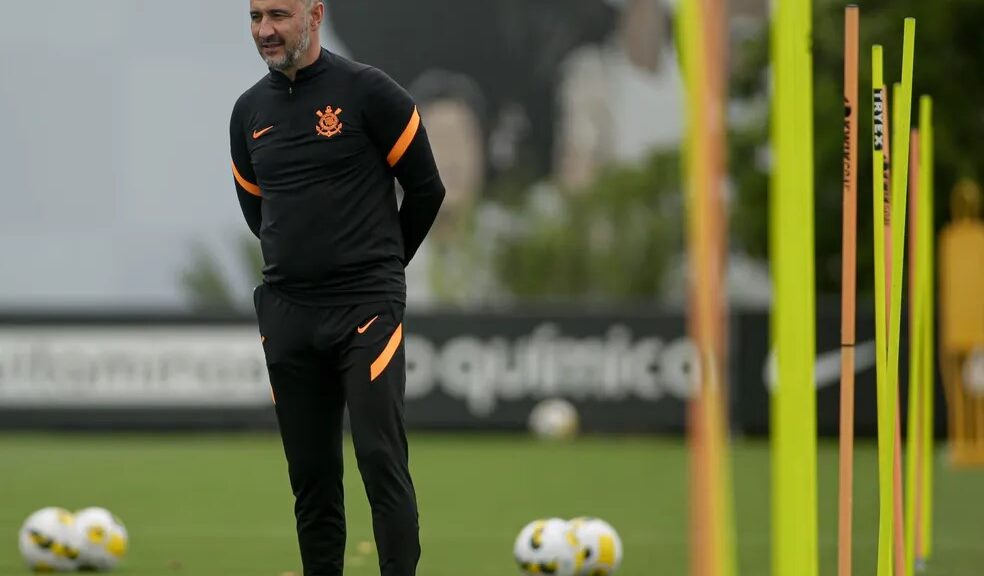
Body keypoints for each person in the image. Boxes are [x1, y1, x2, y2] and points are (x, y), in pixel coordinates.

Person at [228, 1, 445, 574]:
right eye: (255, 17)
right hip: (289, 315)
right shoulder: (248, 112)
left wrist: (381, 267)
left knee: (379, 460)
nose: (265, 30)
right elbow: (261, 215)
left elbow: (427, 191)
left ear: (315, 13)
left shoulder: (371, 92)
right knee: (312, 481)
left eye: (279, 14)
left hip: (365, 310)